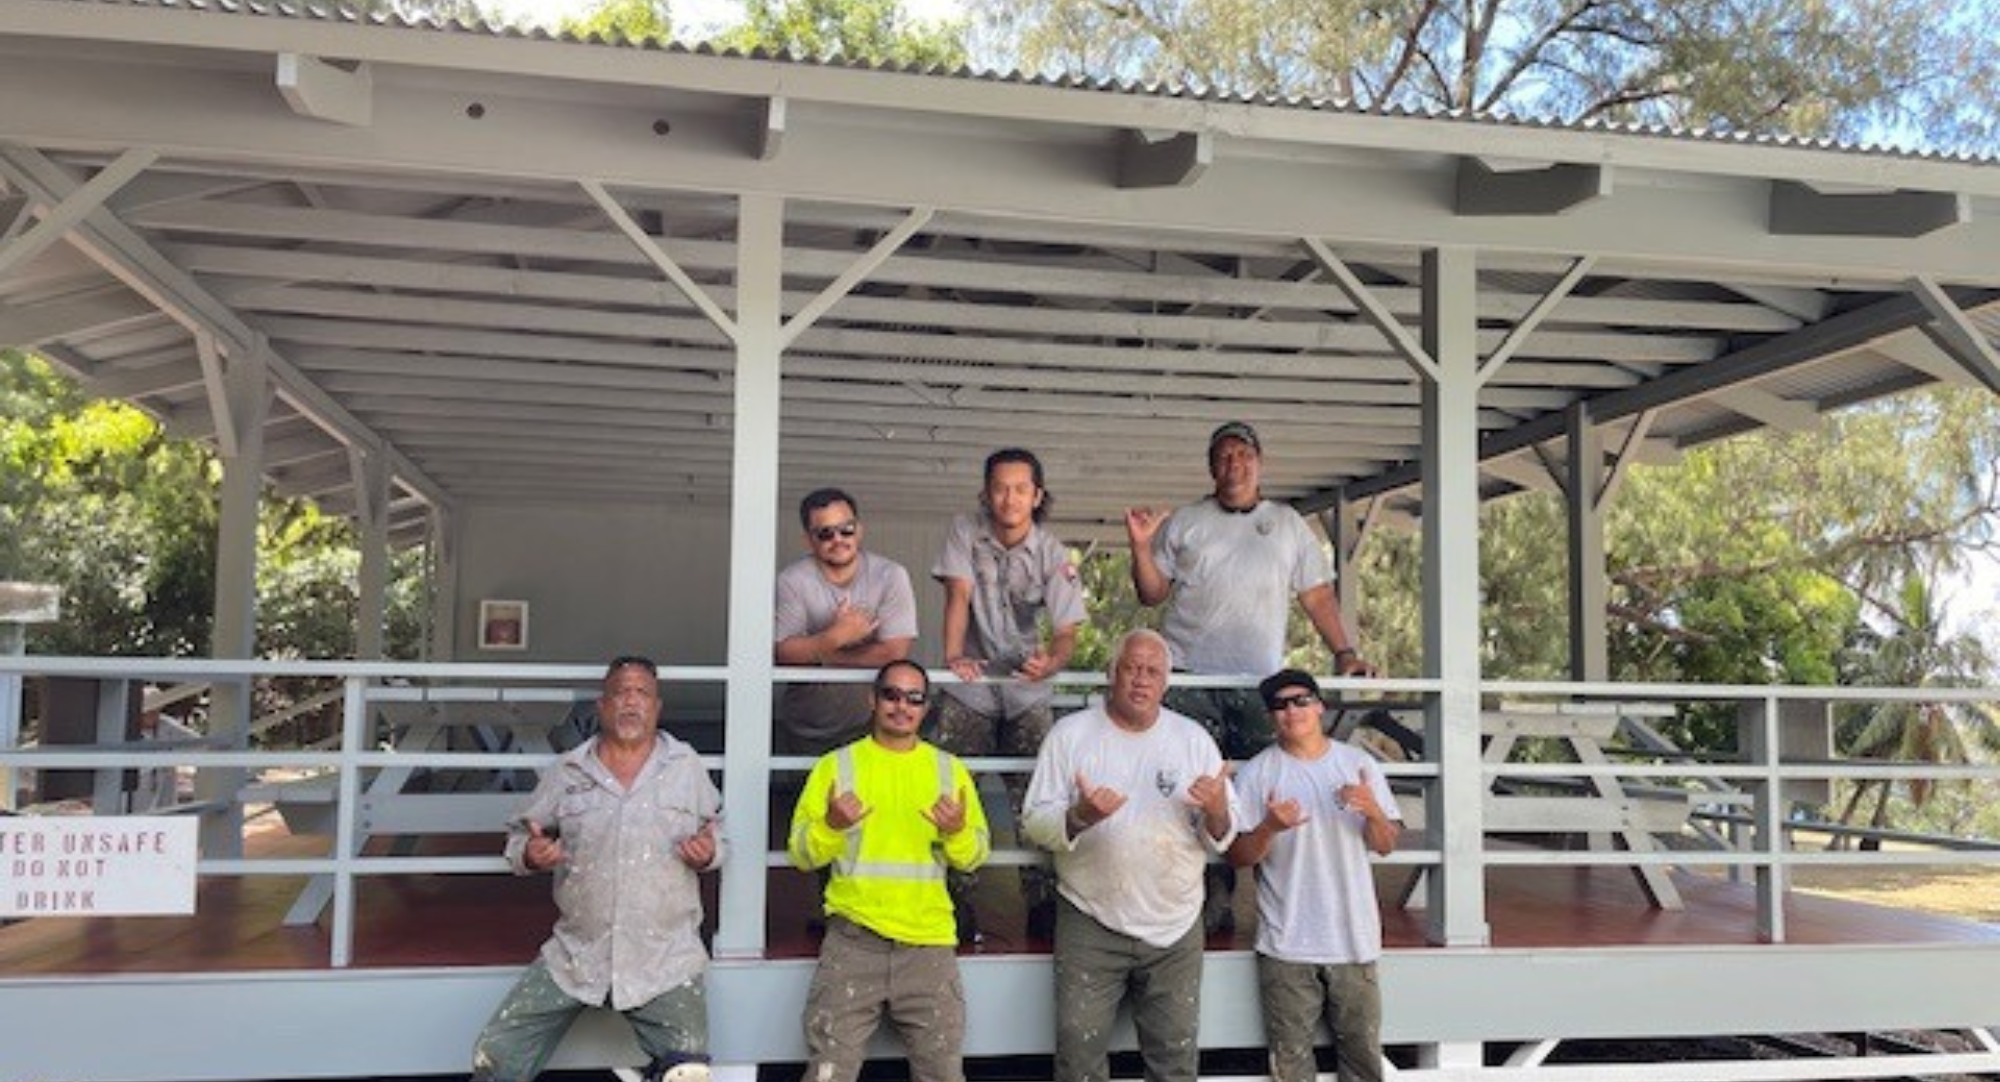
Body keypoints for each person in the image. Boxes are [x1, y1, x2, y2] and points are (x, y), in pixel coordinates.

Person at [1125, 419, 1370, 931]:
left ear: (1260, 462)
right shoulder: (1187, 520)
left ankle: (1279, 905)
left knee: (1260, 791)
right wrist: (1142, 549)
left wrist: (1345, 651)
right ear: (1211, 466)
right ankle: (1209, 903)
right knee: (1197, 792)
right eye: (1223, 456)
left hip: (1258, 682)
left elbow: (1317, 596)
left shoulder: (1286, 524)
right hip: (1190, 678)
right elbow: (1152, 594)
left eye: (1243, 455)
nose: (1234, 464)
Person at [470, 656, 724, 1082]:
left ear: (657, 707)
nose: (630, 702)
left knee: (689, 1074)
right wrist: (531, 854)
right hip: (576, 956)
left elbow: (721, 835)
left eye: (641, 693)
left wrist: (708, 853)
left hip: (664, 959)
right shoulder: (568, 770)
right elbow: (519, 836)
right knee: (495, 1057)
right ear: (601, 706)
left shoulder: (686, 766)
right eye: (620, 692)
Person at [1021, 630, 1238, 1082]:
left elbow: (1223, 836)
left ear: (1166, 682)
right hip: (1089, 918)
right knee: (1078, 1058)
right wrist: (1079, 816)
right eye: (1131, 668)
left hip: (1175, 924)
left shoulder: (1193, 740)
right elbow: (1035, 824)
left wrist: (1217, 808)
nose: (1141, 680)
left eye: (1152, 671)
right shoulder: (1070, 736)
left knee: (1175, 1062)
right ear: (1111, 674)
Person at [788, 659, 990, 1082]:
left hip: (929, 947)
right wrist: (832, 826)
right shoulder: (835, 767)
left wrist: (955, 833)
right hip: (853, 943)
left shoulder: (948, 770)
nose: (902, 706)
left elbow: (974, 856)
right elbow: (802, 854)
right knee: (828, 1074)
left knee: (943, 1075)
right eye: (891, 695)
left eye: (914, 698)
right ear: (872, 700)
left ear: (926, 706)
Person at [932, 447, 1086, 942]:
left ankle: (1043, 906)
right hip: (972, 688)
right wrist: (954, 655)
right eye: (1000, 487)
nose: (1010, 498)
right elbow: (958, 594)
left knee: (1038, 800)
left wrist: (1052, 663)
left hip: (1027, 690)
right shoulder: (964, 531)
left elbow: (1066, 632)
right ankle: (956, 905)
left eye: (1021, 488)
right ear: (985, 492)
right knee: (955, 794)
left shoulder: (1053, 553)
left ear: (1037, 495)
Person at [1228, 669, 1401, 1082]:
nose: (1293, 711)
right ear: (1272, 717)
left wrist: (1373, 810)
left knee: (1363, 1064)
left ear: (1320, 706)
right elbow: (1237, 856)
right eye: (1280, 705)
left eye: (1302, 700)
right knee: (1290, 1068)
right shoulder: (1257, 773)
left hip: (1354, 940)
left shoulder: (1358, 764)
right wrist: (1269, 826)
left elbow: (1386, 843)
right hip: (1285, 944)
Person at [774, 488, 920, 756]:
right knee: (809, 798)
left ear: (860, 530)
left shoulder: (890, 575)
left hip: (872, 727)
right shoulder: (792, 580)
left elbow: (894, 653)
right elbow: (784, 654)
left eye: (847, 529)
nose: (838, 539)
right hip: (809, 727)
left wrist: (823, 653)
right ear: (808, 540)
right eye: (825, 533)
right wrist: (837, 635)